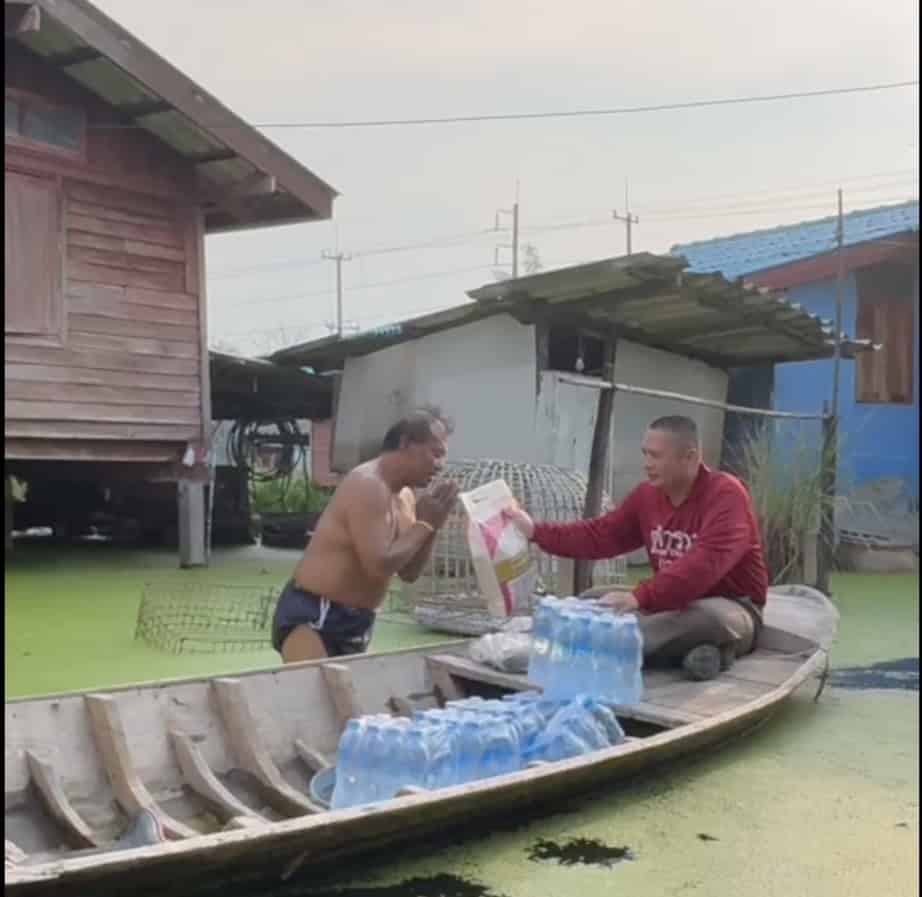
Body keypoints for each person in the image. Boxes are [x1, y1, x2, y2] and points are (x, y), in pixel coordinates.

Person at [508, 415, 768, 681]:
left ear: (690, 457)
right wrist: (534, 531)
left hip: (732, 607)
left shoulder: (727, 495)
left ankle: (582, 649)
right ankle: (698, 652)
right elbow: (601, 534)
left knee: (705, 619)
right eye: (645, 454)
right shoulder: (647, 496)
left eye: (656, 456)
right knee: (593, 598)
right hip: (673, 603)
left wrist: (641, 597)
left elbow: (704, 564)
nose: (647, 464)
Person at [272, 407, 459, 662]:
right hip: (315, 615)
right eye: (436, 454)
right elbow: (378, 566)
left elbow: (409, 572)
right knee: (311, 697)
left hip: (358, 621)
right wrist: (424, 524)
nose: (440, 465)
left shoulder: (404, 496)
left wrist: (433, 525)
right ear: (405, 443)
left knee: (346, 697)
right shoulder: (368, 484)